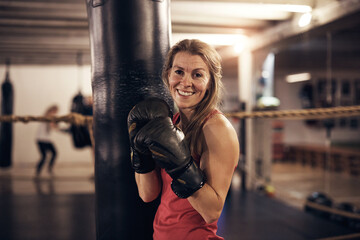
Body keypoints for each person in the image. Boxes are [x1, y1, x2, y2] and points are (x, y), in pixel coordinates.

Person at [127, 39, 239, 239]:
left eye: (197, 74)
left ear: (210, 82)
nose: (186, 82)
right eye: (179, 71)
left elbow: (211, 213)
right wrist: (139, 150)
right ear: (168, 74)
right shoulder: (171, 123)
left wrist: (181, 166)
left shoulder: (216, 128)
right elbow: (147, 194)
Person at [35, 105, 59, 177]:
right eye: (55, 111)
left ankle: (49, 169)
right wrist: (55, 123)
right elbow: (52, 125)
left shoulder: (50, 117)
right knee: (44, 156)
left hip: (47, 139)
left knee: (54, 153)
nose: (55, 113)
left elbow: (54, 126)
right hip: (41, 139)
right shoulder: (47, 116)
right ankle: (38, 171)